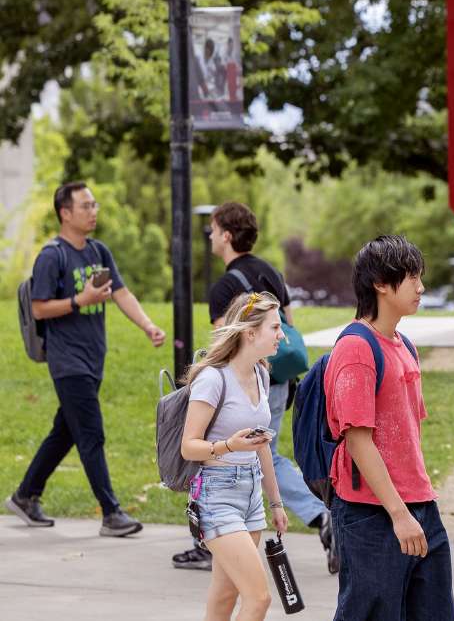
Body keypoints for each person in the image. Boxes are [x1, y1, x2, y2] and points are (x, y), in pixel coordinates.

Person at [173, 202, 333, 573]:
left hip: (246, 382)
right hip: (276, 380)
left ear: (227, 235)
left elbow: (224, 346)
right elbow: (288, 327)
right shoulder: (270, 271)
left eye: (213, 230)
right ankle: (230, 534)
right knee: (265, 452)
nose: (210, 237)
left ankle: (315, 515)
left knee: (252, 453)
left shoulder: (226, 286)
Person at [7, 182, 164, 537]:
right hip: (67, 361)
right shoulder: (52, 255)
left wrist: (148, 325)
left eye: (94, 205)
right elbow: (39, 307)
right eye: (86, 205)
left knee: (65, 431)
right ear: (65, 212)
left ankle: (25, 495)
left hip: (94, 358)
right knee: (91, 433)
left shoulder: (98, 251)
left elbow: (120, 293)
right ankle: (111, 513)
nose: (94, 211)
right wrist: (81, 299)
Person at [325, 235, 454, 620]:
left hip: (419, 505)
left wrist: (414, 507)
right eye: (412, 277)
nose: (421, 287)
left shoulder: (403, 345)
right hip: (373, 515)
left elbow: (408, 435)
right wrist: (399, 515)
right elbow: (358, 441)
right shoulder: (355, 348)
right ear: (381, 284)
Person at [180, 291, 289, 621]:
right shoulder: (213, 379)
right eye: (275, 327)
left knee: (226, 592)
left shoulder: (262, 375)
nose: (282, 334)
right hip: (217, 493)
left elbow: (263, 446)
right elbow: (189, 446)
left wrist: (276, 503)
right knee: (259, 599)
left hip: (250, 494)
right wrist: (228, 446)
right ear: (250, 332)